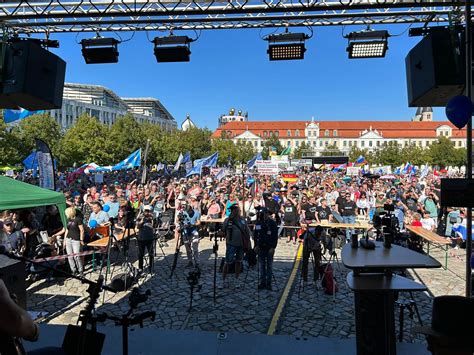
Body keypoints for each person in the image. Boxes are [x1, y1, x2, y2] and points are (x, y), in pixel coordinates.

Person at [222, 204, 251, 288]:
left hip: (241, 245)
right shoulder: (228, 220)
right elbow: (223, 230)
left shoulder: (242, 220)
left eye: (236, 210)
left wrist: (248, 242)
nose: (235, 211)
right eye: (233, 210)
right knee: (227, 262)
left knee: (239, 262)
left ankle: (237, 279)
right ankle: (224, 280)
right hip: (231, 244)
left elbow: (247, 231)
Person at [254, 207, 278, 290]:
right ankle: (262, 282)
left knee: (269, 266)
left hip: (269, 247)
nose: (264, 215)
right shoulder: (258, 223)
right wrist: (255, 246)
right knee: (261, 265)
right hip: (261, 247)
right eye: (263, 214)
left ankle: (269, 283)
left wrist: (273, 247)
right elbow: (255, 235)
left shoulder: (272, 223)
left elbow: (275, 236)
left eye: (265, 213)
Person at [63, 207, 84, 276]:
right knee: (70, 256)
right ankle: (73, 270)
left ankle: (80, 270)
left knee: (76, 256)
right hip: (68, 239)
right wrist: (64, 240)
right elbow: (67, 230)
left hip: (76, 240)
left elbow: (82, 230)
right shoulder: (68, 220)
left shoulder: (78, 219)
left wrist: (81, 239)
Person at [136, 205, 156, 273]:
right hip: (141, 238)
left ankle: (151, 267)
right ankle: (140, 267)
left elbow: (154, 226)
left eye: (148, 211)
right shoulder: (140, 217)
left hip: (150, 238)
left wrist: (152, 219)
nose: (147, 213)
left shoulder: (152, 217)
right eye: (146, 211)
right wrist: (142, 220)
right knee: (141, 254)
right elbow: (138, 226)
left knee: (151, 254)